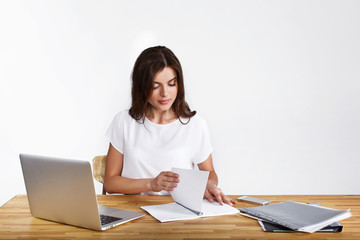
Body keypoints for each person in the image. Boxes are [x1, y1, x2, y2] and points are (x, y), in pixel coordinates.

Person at [104, 46, 236, 206]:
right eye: (155, 86)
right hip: (134, 212)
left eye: (171, 84)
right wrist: (151, 184)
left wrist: (207, 184)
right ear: (141, 86)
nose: (165, 93)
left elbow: (209, 174)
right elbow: (110, 183)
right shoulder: (124, 121)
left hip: (177, 212)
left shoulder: (195, 125)